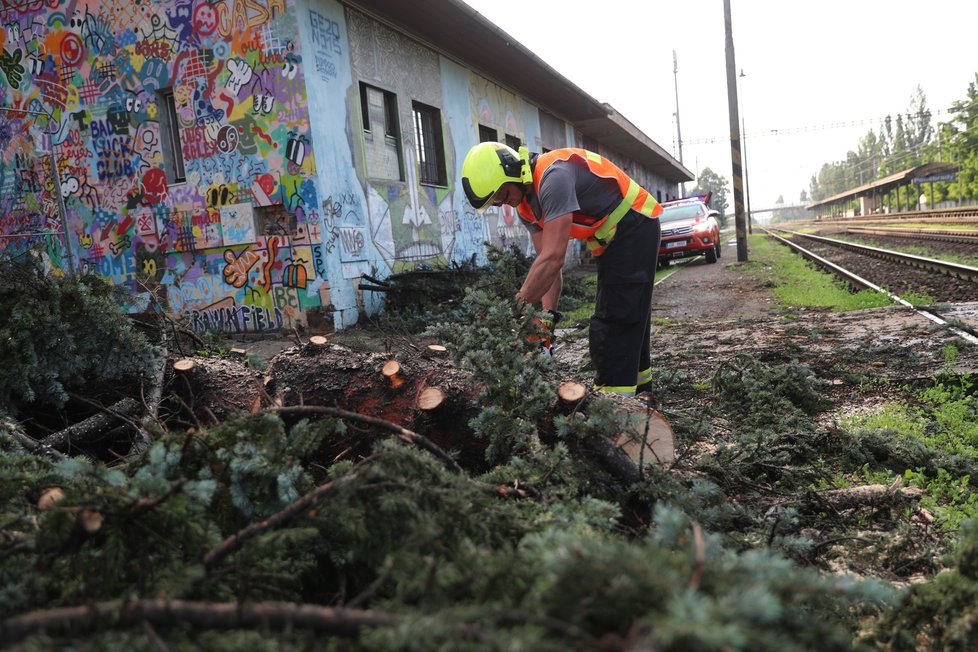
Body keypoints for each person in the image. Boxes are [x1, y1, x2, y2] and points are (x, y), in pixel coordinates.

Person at [460, 142, 663, 396]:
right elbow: (547, 267)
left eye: (500, 195)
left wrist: (514, 310)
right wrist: (546, 323)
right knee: (628, 316)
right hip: (616, 236)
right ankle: (641, 395)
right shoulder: (526, 207)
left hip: (633, 224)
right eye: (496, 203)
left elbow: (554, 258)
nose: (504, 204)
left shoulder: (553, 179)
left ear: (509, 171)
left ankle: (612, 410)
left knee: (612, 323)